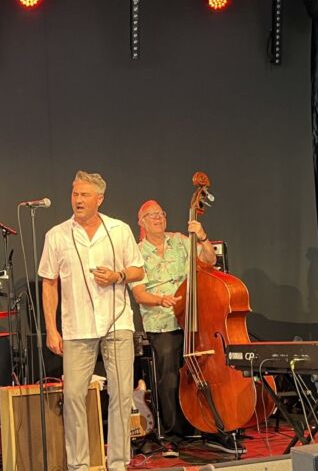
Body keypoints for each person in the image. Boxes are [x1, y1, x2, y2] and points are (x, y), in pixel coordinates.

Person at [38, 171, 145, 471]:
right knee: (73, 395)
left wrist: (117, 275)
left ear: (100, 199)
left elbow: (138, 269)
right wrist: (51, 329)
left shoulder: (118, 230)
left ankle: (118, 463)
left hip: (117, 322)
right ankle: (79, 466)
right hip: (77, 327)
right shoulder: (57, 235)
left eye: (85, 195)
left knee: (121, 394)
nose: (78, 200)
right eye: (75, 194)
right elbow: (49, 283)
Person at [130, 200, 245, 457]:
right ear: (141, 222)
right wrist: (160, 299)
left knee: (208, 373)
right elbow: (139, 294)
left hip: (195, 321)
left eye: (161, 213)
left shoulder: (181, 241)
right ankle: (175, 435)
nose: (158, 218)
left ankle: (215, 428)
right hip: (163, 322)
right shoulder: (136, 252)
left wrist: (201, 236)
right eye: (151, 215)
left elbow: (209, 260)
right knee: (170, 377)